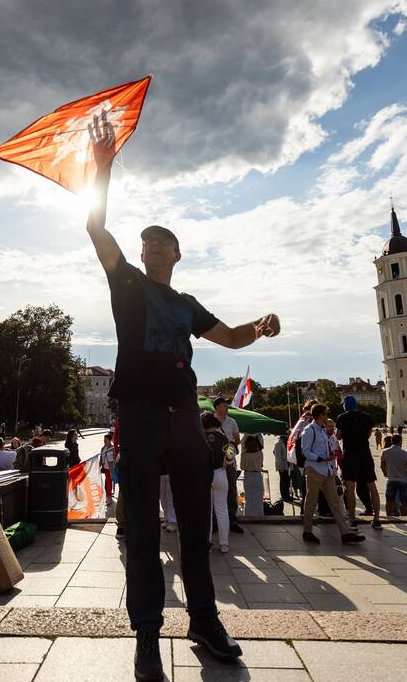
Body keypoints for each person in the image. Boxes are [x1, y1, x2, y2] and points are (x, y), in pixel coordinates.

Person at [86, 111, 280, 675]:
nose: (147, 245)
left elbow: (229, 336)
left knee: (196, 527)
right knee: (144, 530)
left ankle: (204, 620)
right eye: (144, 241)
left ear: (175, 252)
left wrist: (261, 324)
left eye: (158, 241)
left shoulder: (186, 303)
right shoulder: (126, 282)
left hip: (184, 421)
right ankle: (148, 633)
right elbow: (98, 232)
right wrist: (102, 170)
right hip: (141, 418)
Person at [300, 405, 362, 545]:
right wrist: (321, 458)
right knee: (311, 501)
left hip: (327, 470)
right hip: (315, 469)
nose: (327, 415)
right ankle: (307, 531)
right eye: (326, 413)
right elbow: (305, 451)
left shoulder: (322, 429)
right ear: (320, 415)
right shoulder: (309, 430)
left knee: (334, 501)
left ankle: (345, 533)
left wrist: (330, 457)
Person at [335, 396, 382, 530]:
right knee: (372, 485)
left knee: (350, 487)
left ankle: (352, 519)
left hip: (350, 454)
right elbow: (368, 434)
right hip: (365, 454)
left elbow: (339, 436)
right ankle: (377, 518)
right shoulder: (367, 417)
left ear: (345, 406)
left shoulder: (342, 417)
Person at [214, 397, 244, 534]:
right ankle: (214, 521)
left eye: (226, 405)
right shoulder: (210, 421)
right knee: (214, 491)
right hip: (215, 461)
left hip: (229, 459)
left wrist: (229, 451)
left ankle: (232, 520)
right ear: (217, 407)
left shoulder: (232, 421)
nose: (226, 407)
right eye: (224, 405)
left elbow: (237, 440)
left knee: (232, 489)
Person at [202, 412, 231, 554]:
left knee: (206, 511)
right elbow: (230, 458)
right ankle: (224, 544)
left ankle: (206, 543)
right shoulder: (223, 438)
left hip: (203, 475)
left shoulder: (199, 437)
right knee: (222, 510)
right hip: (220, 473)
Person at [380, 434, 407, 516]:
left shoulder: (385, 452)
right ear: (400, 442)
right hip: (403, 480)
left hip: (391, 479)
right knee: (404, 502)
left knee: (389, 501)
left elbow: (382, 465)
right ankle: (403, 516)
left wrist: (386, 474)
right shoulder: (406, 454)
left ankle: (389, 516)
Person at [240, 433, 264, 516]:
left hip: (248, 475)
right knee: (259, 499)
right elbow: (261, 465)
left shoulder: (244, 454)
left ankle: (248, 515)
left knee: (248, 499)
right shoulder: (260, 454)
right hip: (257, 475)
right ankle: (259, 516)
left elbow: (242, 467)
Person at [272, 433, 293, 503]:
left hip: (287, 464)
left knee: (286, 480)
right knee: (283, 481)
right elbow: (277, 456)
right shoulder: (278, 443)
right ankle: (284, 496)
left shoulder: (287, 441)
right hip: (282, 466)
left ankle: (287, 495)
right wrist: (281, 466)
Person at [100, 432, 117, 503]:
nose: (104, 441)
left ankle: (109, 497)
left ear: (110, 440)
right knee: (107, 482)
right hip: (105, 468)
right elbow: (101, 458)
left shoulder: (112, 448)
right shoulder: (103, 448)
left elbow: (114, 459)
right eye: (104, 440)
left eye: (106, 440)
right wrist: (99, 465)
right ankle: (108, 495)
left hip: (110, 469)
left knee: (109, 482)